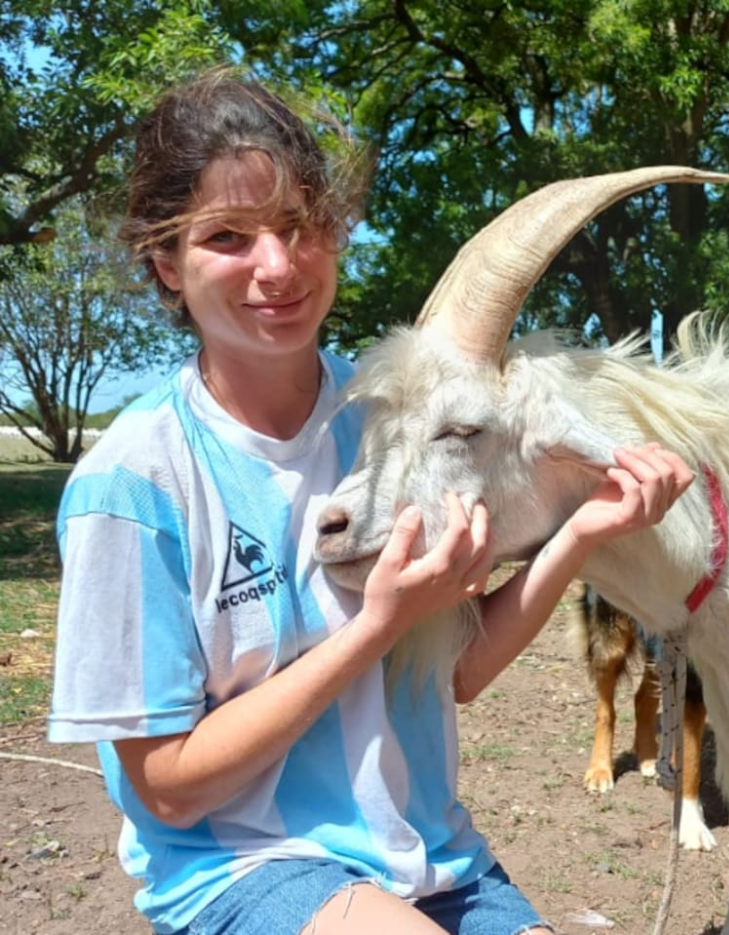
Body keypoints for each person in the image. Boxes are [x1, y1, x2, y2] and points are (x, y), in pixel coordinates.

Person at [48, 68, 694, 935]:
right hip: (248, 864)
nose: (276, 266)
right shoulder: (136, 483)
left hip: (432, 858)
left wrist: (582, 528)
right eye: (228, 237)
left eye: (299, 226)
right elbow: (167, 785)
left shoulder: (392, 418)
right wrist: (375, 627)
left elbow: (455, 671)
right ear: (167, 263)